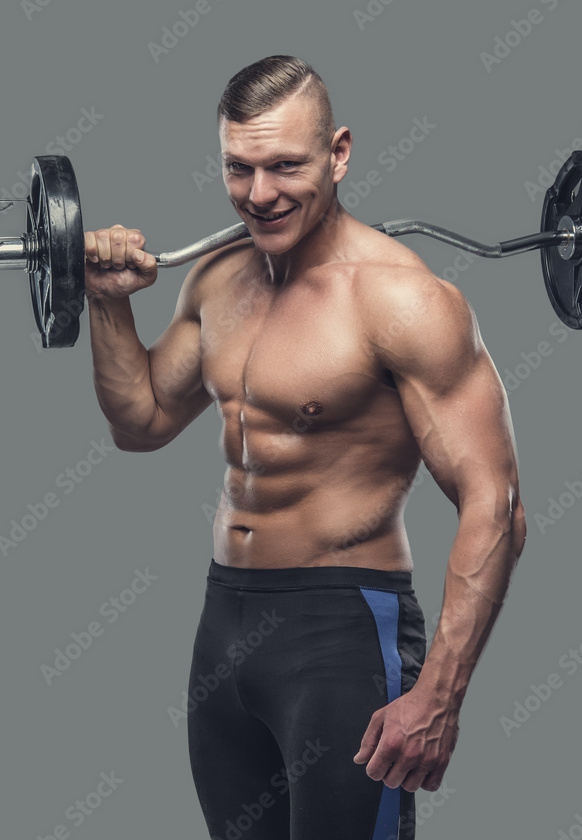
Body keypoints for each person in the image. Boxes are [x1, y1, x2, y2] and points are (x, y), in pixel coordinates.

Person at [83, 55, 526, 840]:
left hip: (343, 631)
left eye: (285, 165)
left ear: (339, 153)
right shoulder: (216, 281)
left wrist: (439, 695)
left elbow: (497, 505)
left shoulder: (402, 300)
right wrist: (109, 306)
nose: (260, 194)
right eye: (239, 168)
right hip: (224, 624)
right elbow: (141, 422)